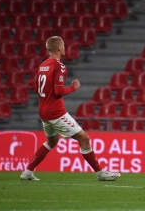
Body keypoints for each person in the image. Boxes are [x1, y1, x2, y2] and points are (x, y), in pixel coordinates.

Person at [20, 36, 120, 181]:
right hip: (56, 113)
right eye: (64, 46)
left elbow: (36, 89)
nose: (65, 48)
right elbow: (58, 91)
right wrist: (73, 88)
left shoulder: (42, 66)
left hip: (43, 112)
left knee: (51, 142)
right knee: (84, 139)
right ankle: (100, 173)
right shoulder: (58, 66)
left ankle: (27, 172)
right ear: (59, 48)